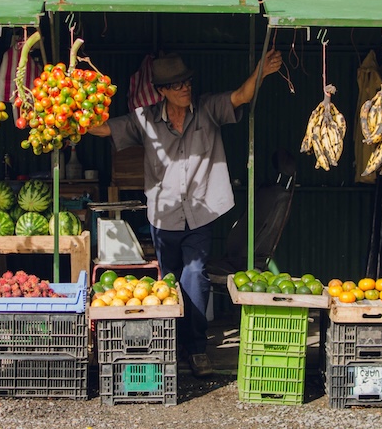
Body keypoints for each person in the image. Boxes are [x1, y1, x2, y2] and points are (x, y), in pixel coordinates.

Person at [89, 49, 284, 378]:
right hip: (162, 217)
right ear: (162, 90)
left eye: (187, 82)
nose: (185, 88)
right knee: (168, 281)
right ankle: (171, 345)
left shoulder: (208, 109)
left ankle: (195, 348)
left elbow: (240, 95)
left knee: (194, 277)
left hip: (200, 212)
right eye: (176, 85)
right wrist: (71, 117)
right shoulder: (145, 119)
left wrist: (261, 72)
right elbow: (105, 129)